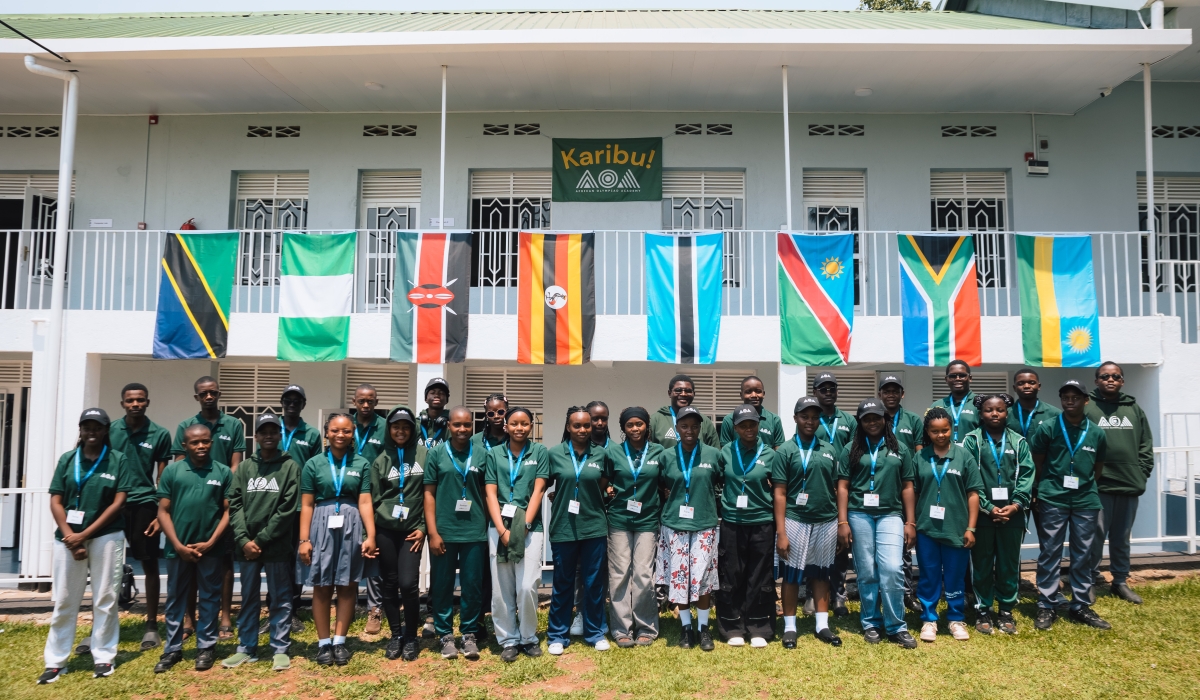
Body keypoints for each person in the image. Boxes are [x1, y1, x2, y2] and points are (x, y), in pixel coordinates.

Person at [39, 408, 133, 684]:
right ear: (80, 430)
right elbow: (56, 500)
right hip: (67, 539)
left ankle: (103, 656)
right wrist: (71, 536)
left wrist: (86, 535)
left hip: (106, 536)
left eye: (97, 427)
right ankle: (55, 661)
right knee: (66, 600)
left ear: (106, 431)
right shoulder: (68, 460)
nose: (92, 431)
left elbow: (118, 502)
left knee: (105, 598)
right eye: (86, 426)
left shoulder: (117, 459)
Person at [1028, 380, 1111, 631]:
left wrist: (1083, 485)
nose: (1070, 400)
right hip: (1053, 497)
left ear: (1086, 401)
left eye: (1076, 397)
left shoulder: (1096, 432)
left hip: (1085, 499)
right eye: (1065, 396)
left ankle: (1080, 605)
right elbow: (1038, 462)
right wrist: (1045, 488)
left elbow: (1097, 467)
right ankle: (1047, 603)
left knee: (1083, 552)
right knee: (1050, 551)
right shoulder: (1049, 427)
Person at [297, 413, 378, 666]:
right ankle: (323, 643)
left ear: (352, 433)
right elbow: (307, 503)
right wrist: (304, 539)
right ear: (326, 433)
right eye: (335, 430)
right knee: (322, 584)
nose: (340, 435)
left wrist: (370, 535)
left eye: (346, 431)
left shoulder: (362, 463)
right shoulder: (313, 464)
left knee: (347, 584)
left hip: (351, 523)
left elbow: (365, 501)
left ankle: (340, 640)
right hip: (321, 523)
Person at [836, 399, 918, 649]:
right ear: (860, 422)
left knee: (892, 567)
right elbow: (843, 486)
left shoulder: (900, 448)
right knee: (867, 571)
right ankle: (871, 622)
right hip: (859, 514)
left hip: (890, 514)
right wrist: (842, 521)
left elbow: (907, 486)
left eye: (877, 417)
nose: (872, 422)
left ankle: (896, 626)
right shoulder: (851, 448)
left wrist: (910, 521)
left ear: (886, 419)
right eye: (867, 418)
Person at [154, 424, 233, 674]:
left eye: (206, 442)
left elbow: (228, 510)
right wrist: (177, 544)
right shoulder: (173, 471)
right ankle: (172, 649)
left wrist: (211, 542)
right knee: (176, 598)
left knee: (210, 597)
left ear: (211, 443)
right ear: (185, 446)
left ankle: (206, 646)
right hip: (178, 549)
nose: (201, 446)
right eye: (195, 443)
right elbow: (163, 511)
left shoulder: (222, 471)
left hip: (211, 548)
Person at [224, 413, 299, 671]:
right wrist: (244, 539)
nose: (268, 436)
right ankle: (246, 647)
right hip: (247, 548)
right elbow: (234, 505)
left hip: (276, 546)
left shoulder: (289, 467)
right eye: (263, 431)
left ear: (280, 435)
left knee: (280, 597)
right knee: (248, 597)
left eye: (273, 431)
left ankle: (280, 647)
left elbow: (288, 508)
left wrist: (263, 539)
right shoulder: (245, 468)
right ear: (255, 437)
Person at [172, 376, 245, 642]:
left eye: (213, 392)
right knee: (190, 560)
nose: (209, 397)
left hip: (222, 498)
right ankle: (190, 617)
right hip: (192, 503)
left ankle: (225, 616)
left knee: (224, 561)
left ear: (219, 394)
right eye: (204, 394)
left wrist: (226, 491)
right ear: (197, 397)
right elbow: (177, 465)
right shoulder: (186, 426)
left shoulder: (234, 424)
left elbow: (236, 464)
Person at [773, 397, 842, 648]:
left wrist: (839, 522)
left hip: (825, 520)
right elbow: (779, 493)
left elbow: (835, 487)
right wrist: (781, 532)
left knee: (822, 573)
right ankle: (790, 627)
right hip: (795, 519)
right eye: (805, 416)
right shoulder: (786, 451)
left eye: (814, 417)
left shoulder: (829, 449)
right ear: (795, 418)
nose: (810, 421)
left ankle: (822, 625)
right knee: (792, 575)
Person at [962, 394, 1034, 636]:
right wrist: (987, 506)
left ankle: (1005, 609)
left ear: (1007, 413)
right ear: (980, 413)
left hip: (1013, 516)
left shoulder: (1019, 442)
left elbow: (1026, 475)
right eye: (989, 410)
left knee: (1008, 564)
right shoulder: (972, 441)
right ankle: (982, 608)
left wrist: (1015, 506)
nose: (994, 414)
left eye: (1000, 410)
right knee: (981, 564)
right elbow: (969, 477)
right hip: (982, 516)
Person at [108, 383, 172, 652]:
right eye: (130, 400)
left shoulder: (159, 434)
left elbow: (162, 476)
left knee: (149, 564)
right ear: (122, 403)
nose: (135, 404)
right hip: (112, 505)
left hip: (144, 503)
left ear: (148, 402)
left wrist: (159, 512)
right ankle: (103, 626)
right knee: (105, 567)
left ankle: (151, 625)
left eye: (140, 400)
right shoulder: (110, 430)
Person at [484, 406, 549, 662]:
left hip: (530, 526)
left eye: (524, 423)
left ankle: (528, 637)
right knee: (502, 587)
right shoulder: (494, 454)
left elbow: (539, 490)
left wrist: (522, 527)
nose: (519, 428)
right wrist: (501, 530)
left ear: (531, 426)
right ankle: (508, 639)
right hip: (498, 525)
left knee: (527, 585)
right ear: (505, 426)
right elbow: (490, 492)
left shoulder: (539, 452)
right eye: (514, 423)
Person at [1086, 361, 1154, 606]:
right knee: (1094, 535)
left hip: (1128, 484)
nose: (1110, 380)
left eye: (1115, 376)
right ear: (1097, 381)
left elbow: (1145, 444)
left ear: (1122, 380)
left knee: (1121, 536)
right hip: (1098, 486)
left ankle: (1120, 581)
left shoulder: (1134, 408)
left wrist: (1142, 472)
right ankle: (1089, 581)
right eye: (1105, 376)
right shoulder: (1088, 407)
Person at [424, 406, 488, 660]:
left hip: (474, 531)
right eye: (457, 425)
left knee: (472, 586)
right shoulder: (436, 453)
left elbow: (486, 493)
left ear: (472, 426)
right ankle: (445, 634)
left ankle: (469, 633)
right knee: (442, 585)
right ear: (448, 426)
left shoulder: (483, 454)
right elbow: (428, 493)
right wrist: (433, 533)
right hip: (445, 531)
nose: (462, 429)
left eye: (467, 425)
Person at [913, 408, 983, 643]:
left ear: (952, 429)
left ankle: (955, 618)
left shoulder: (964, 456)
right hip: (926, 529)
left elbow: (973, 493)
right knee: (928, 576)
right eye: (935, 431)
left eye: (945, 430)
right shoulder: (920, 457)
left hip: (956, 528)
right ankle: (929, 619)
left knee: (954, 576)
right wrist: (912, 523)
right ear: (928, 432)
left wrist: (971, 528)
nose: (941, 435)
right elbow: (913, 492)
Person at [546, 406, 611, 655]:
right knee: (562, 583)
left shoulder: (602, 454)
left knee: (594, 583)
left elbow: (602, 484)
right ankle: (557, 635)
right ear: (568, 427)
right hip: (563, 528)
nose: (583, 429)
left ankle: (595, 632)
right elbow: (545, 484)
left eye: (587, 425)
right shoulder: (554, 454)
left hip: (594, 527)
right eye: (577, 425)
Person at [656, 406, 720, 652]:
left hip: (704, 523)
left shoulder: (714, 455)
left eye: (695, 426)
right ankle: (685, 628)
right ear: (677, 429)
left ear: (701, 427)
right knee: (680, 578)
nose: (690, 430)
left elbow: (720, 480)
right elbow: (661, 482)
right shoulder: (666, 456)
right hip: (674, 524)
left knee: (702, 579)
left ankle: (703, 628)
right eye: (684, 426)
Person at [716, 404, 778, 648]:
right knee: (732, 574)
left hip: (762, 522)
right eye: (743, 425)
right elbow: (718, 479)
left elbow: (779, 486)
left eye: (752, 423)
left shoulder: (770, 454)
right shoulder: (726, 452)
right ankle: (732, 627)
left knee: (759, 575)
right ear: (735, 427)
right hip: (732, 522)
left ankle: (759, 627)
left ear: (759, 425)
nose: (749, 428)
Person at [370, 405, 427, 662]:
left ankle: (412, 637)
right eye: (396, 426)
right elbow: (372, 499)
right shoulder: (381, 460)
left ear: (412, 429)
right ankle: (396, 635)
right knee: (390, 584)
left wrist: (424, 527)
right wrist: (369, 535)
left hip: (412, 531)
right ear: (389, 429)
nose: (401, 431)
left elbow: (430, 494)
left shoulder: (424, 455)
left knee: (409, 584)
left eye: (406, 426)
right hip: (385, 530)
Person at [604, 407, 664, 647]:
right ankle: (621, 629)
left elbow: (668, 478)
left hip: (648, 521)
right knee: (619, 575)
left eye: (639, 424)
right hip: (619, 520)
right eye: (630, 425)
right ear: (623, 428)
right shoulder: (614, 453)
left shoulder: (660, 452)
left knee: (643, 574)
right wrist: (607, 491)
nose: (635, 429)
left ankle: (646, 627)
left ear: (647, 426)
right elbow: (603, 482)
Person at [877, 373, 925, 614]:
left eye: (895, 390)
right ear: (880, 395)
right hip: (880, 488)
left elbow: (918, 453)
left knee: (905, 545)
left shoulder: (913, 419)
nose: (891, 394)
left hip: (905, 487)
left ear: (902, 394)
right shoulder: (873, 418)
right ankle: (879, 592)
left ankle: (906, 592)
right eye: (886, 390)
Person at [812, 371, 856, 616]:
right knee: (814, 543)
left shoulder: (848, 420)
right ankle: (812, 593)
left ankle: (838, 595)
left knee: (841, 543)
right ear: (815, 391)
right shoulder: (810, 418)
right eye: (823, 388)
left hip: (842, 489)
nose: (828, 392)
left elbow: (855, 452)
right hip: (818, 489)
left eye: (832, 388)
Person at [280, 384, 321, 634]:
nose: (292, 404)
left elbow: (316, 469)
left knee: (298, 559)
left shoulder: (312, 434)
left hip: (300, 507)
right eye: (288, 400)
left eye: (297, 400)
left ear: (304, 404)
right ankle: (276, 608)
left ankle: (293, 610)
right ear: (282, 402)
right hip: (274, 506)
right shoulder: (272, 427)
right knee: (277, 559)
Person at [351, 384, 388, 635]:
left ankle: (375, 608)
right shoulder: (345, 425)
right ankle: (349, 604)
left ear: (376, 402)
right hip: (347, 496)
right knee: (349, 549)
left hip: (375, 498)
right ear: (354, 401)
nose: (366, 405)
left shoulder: (384, 426)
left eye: (370, 401)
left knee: (374, 551)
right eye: (362, 401)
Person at [650, 374, 720, 449]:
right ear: (669, 393)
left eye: (688, 391)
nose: (683, 394)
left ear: (694, 394)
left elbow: (715, 453)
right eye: (678, 390)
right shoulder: (655, 420)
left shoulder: (705, 422)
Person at [720, 376, 786, 448]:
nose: (754, 395)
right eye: (748, 392)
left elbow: (779, 450)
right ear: (741, 395)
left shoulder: (774, 420)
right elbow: (726, 450)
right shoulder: (729, 420)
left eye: (758, 391)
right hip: (739, 459)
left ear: (763, 394)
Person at [932, 360, 979, 445]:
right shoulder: (936, 405)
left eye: (962, 375)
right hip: (944, 457)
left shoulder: (981, 404)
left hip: (972, 456)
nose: (957, 379)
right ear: (946, 379)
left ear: (970, 378)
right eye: (952, 376)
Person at [1009, 369, 1060, 439]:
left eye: (1032, 383)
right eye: (1021, 383)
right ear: (1014, 388)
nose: (1026, 386)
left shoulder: (1055, 414)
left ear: (1039, 386)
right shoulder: (1006, 414)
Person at [420, 377, 451, 448]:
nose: (437, 395)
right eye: (432, 392)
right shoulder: (417, 423)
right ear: (426, 398)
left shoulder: (452, 424)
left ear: (447, 399)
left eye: (441, 393)